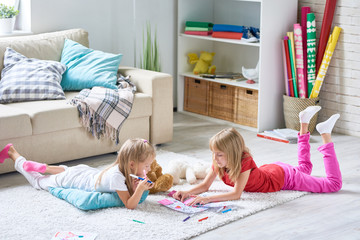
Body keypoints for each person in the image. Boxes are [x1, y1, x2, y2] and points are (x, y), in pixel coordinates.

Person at [173, 106, 342, 205]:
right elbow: (204, 186)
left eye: (219, 154)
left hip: (283, 178)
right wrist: (187, 192)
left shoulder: (244, 160)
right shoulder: (218, 162)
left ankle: (325, 134)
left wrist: (207, 200)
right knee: (306, 168)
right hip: (271, 170)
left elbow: (236, 194)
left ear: (232, 154)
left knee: (333, 184)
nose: (215, 158)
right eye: (213, 154)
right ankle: (304, 122)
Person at [0, 138, 155, 209]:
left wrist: (135, 185)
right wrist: (139, 189)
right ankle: (13, 153)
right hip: (76, 181)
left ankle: (45, 167)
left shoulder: (122, 170)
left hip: (83, 172)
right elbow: (129, 204)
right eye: (146, 166)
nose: (148, 170)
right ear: (132, 164)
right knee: (38, 182)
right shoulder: (116, 176)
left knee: (67, 171)